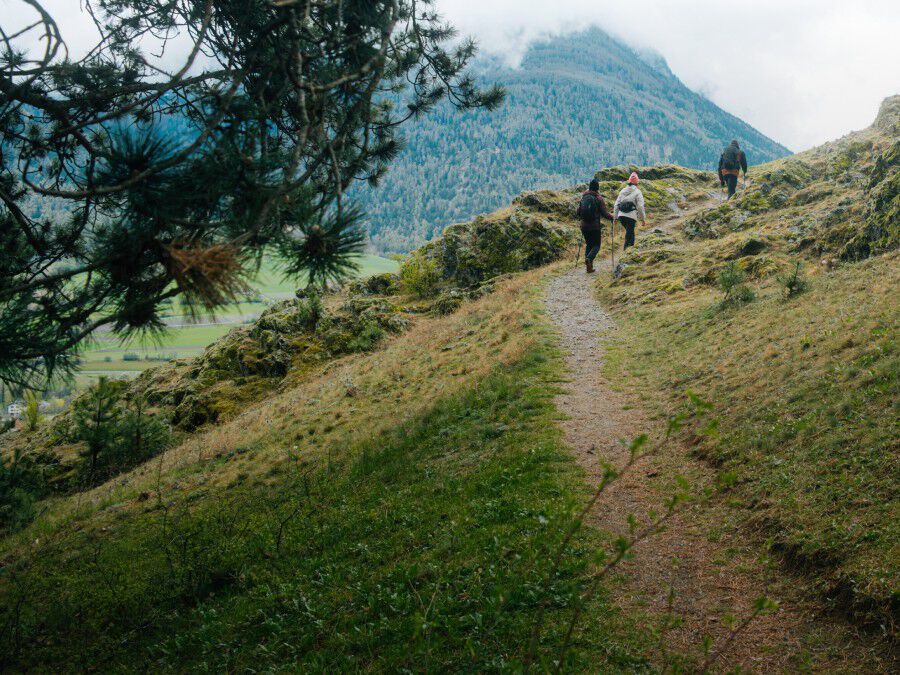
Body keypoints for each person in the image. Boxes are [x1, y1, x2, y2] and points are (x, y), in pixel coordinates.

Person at [577, 178, 614, 273]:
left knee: (589, 244)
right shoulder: (598, 198)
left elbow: (578, 212)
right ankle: (589, 259)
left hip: (584, 226)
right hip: (594, 226)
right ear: (597, 188)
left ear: (589, 187)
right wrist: (612, 217)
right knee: (596, 245)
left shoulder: (584, 197)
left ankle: (589, 267)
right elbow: (604, 213)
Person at [614, 172, 647, 250]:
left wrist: (615, 218)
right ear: (637, 182)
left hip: (621, 216)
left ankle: (630, 250)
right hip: (631, 217)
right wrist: (643, 219)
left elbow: (616, 205)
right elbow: (640, 206)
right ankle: (627, 250)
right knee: (629, 234)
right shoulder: (638, 192)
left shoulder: (622, 191)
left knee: (630, 232)